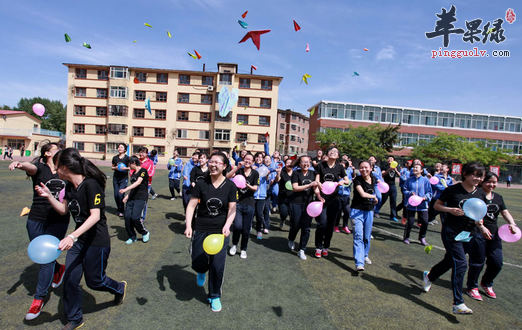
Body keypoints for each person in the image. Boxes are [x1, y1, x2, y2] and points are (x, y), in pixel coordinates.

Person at [35, 148, 126, 330]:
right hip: (79, 241)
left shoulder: (91, 185)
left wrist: (71, 235)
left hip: (97, 242)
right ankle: (75, 318)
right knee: (70, 279)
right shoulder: (69, 186)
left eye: (56, 167)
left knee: (95, 281)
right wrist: (49, 196)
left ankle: (119, 288)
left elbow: (95, 216)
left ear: (65, 167)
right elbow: (63, 210)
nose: (54, 171)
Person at [9, 143, 69, 321]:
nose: (59, 149)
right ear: (48, 153)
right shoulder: (40, 168)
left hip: (58, 219)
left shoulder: (64, 170)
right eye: (55, 148)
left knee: (46, 259)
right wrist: (20, 164)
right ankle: (59, 269)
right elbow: (30, 167)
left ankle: (38, 299)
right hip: (35, 218)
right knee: (40, 254)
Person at [422, 162, 490, 315]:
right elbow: (437, 206)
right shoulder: (452, 190)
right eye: (475, 175)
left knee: (450, 260)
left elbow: (479, 214)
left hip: (470, 233)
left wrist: (481, 226)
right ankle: (458, 303)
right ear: (465, 174)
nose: (478, 179)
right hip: (451, 232)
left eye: (480, 176)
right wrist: (450, 210)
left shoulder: (480, 194)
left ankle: (430, 276)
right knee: (460, 264)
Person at [184, 152, 237, 312]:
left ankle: (214, 296)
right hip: (201, 227)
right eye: (211, 161)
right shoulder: (201, 183)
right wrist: (188, 225)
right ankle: (201, 271)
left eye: (217, 162)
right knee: (197, 261)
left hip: (220, 231)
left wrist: (228, 225)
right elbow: (192, 206)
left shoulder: (230, 186)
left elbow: (232, 209)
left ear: (224, 166)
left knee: (217, 266)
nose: (213, 165)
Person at [466, 172, 518, 301]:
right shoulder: (476, 196)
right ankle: (472, 287)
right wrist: (481, 227)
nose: (491, 184)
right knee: (477, 262)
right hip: (478, 234)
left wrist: (512, 223)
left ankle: (486, 283)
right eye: (489, 182)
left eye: (494, 182)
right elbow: (470, 214)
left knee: (497, 262)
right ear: (482, 182)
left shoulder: (498, 197)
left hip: (494, 235)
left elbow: (504, 211)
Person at [314, 146, 350, 258]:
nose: (333, 152)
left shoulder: (339, 167)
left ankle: (326, 246)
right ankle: (318, 247)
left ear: (338, 156)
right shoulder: (320, 165)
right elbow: (316, 182)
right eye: (331, 151)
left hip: (334, 200)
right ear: (327, 154)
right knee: (322, 223)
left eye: (336, 152)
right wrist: (318, 195)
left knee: (330, 225)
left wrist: (341, 182)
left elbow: (347, 180)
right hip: (322, 199)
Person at [226, 153, 259, 258]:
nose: (248, 161)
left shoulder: (255, 173)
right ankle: (234, 245)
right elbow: (227, 177)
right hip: (238, 203)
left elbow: (255, 188)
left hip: (250, 203)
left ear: (253, 161)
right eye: (246, 159)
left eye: (250, 159)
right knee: (237, 226)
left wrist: (247, 185)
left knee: (245, 229)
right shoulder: (239, 171)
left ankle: (244, 249)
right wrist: (237, 167)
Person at [288, 155, 320, 260]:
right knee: (296, 225)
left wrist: (319, 196)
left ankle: (302, 249)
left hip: (309, 205)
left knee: (306, 228)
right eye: (303, 162)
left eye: (308, 162)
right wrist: (309, 185)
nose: (306, 164)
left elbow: (315, 188)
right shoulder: (296, 174)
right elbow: (295, 188)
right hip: (296, 203)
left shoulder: (313, 173)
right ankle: (291, 239)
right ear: (299, 164)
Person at [351, 161, 378, 271]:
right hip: (356, 211)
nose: (363, 170)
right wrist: (374, 197)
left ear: (371, 168)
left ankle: (365, 255)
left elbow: (379, 188)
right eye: (361, 168)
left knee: (366, 237)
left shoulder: (374, 178)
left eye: (366, 167)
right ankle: (359, 262)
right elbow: (362, 194)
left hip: (369, 211)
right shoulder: (357, 179)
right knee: (358, 236)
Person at [120, 156, 150, 244]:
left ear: (133, 163)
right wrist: (127, 196)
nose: (128, 165)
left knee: (135, 218)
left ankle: (144, 232)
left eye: (129, 164)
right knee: (127, 217)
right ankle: (132, 236)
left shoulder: (143, 171)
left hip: (141, 197)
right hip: (132, 197)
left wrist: (125, 190)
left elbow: (138, 182)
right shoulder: (133, 173)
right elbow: (134, 187)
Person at [402, 164, 432, 246]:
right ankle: (406, 237)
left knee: (425, 222)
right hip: (411, 204)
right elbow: (404, 190)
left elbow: (429, 192)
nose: (414, 169)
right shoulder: (409, 180)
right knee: (410, 222)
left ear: (421, 170)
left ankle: (422, 237)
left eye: (417, 168)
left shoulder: (426, 180)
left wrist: (425, 197)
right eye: (414, 167)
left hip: (422, 205)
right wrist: (410, 193)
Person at [253, 152, 270, 239]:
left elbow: (267, 182)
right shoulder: (252, 167)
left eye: (260, 157)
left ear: (263, 159)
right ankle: (247, 228)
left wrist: (267, 175)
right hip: (252, 195)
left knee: (259, 214)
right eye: (257, 157)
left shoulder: (265, 168)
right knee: (251, 213)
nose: (258, 158)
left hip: (262, 195)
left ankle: (259, 230)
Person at [111, 143, 129, 217]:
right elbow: (112, 167)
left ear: (125, 149)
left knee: (120, 194)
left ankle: (122, 210)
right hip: (116, 178)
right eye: (119, 147)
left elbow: (131, 167)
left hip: (124, 178)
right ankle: (119, 209)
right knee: (116, 195)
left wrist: (125, 168)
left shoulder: (127, 158)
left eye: (121, 147)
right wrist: (116, 168)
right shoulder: (115, 158)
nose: (120, 148)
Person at [334, 159, 352, 234]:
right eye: (341, 163)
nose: (342, 164)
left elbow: (349, 182)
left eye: (344, 163)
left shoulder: (348, 172)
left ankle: (345, 226)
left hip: (346, 195)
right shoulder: (336, 171)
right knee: (338, 211)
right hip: (338, 194)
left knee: (347, 210)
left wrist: (345, 182)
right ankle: (336, 225)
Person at [380, 155, 400, 221]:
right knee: (383, 199)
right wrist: (389, 169)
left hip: (393, 185)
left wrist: (396, 170)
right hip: (386, 185)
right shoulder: (384, 166)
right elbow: (382, 174)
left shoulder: (396, 167)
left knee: (393, 201)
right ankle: (376, 210)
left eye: (391, 159)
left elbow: (400, 176)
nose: (390, 160)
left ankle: (393, 215)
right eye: (389, 158)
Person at [137, 147, 155, 220]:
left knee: (144, 201)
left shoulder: (150, 162)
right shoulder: (137, 161)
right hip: (136, 184)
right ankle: (136, 214)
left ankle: (142, 217)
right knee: (135, 200)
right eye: (140, 152)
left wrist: (141, 176)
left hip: (146, 184)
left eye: (143, 152)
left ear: (147, 153)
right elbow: (132, 171)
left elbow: (151, 173)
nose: (141, 154)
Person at [275, 158, 294, 229]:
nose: (289, 164)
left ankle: (292, 227)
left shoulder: (296, 173)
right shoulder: (282, 172)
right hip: (282, 196)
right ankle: (282, 220)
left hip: (293, 197)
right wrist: (278, 173)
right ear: (285, 164)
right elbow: (277, 180)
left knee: (292, 213)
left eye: (290, 163)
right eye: (287, 163)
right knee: (284, 213)